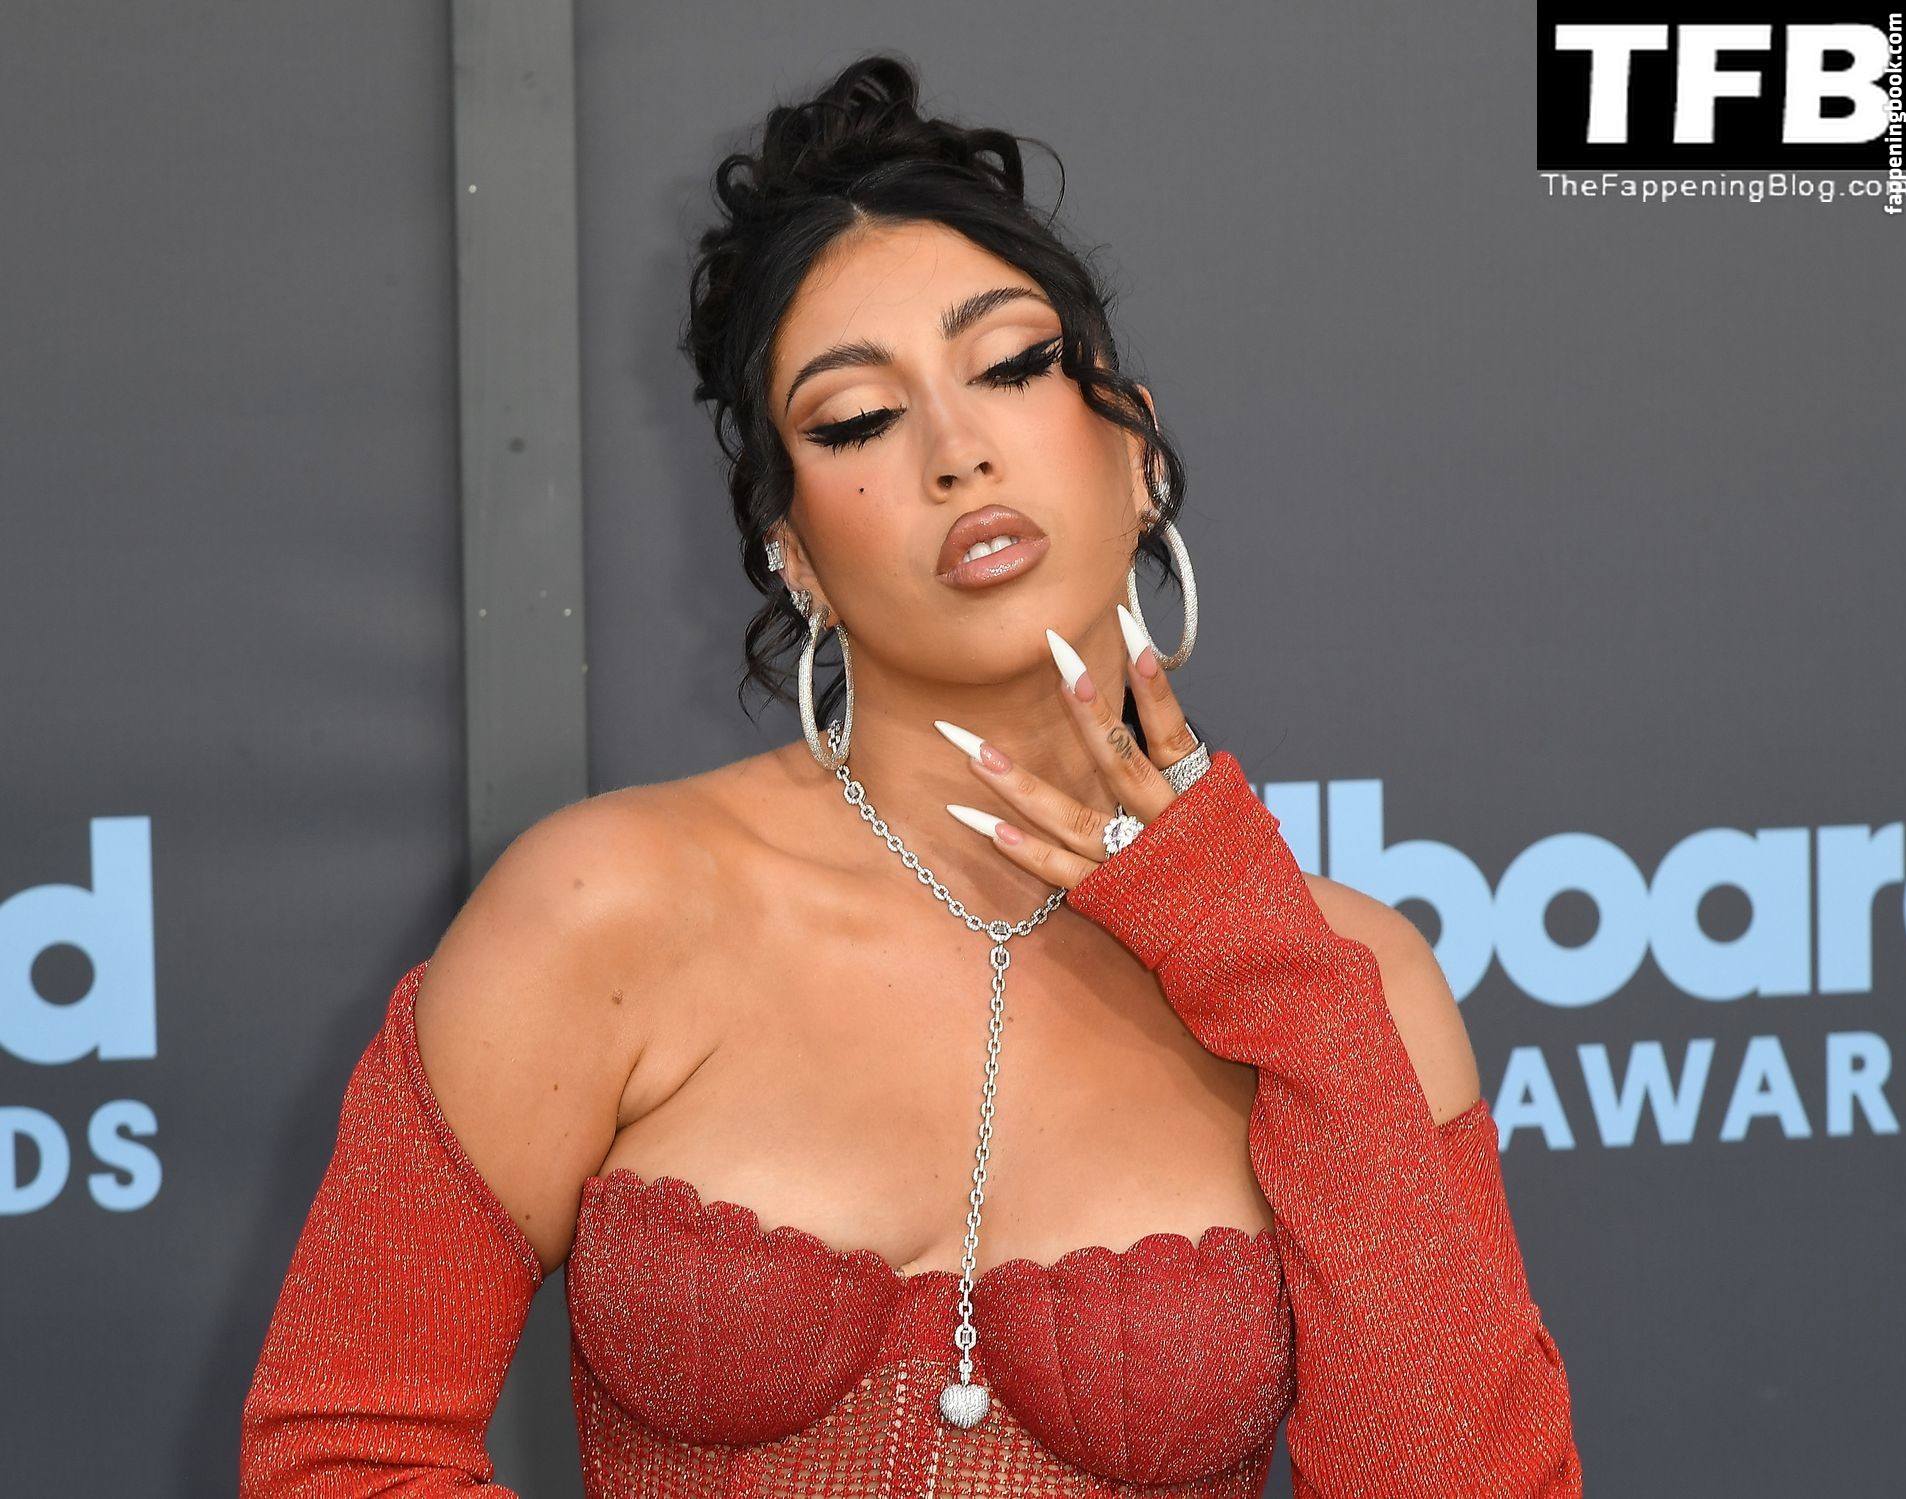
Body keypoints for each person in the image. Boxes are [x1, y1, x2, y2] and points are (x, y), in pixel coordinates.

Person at [239, 52, 1581, 1498]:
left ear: (1137, 448)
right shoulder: (602, 911)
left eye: (1011, 366)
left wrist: (1277, 978)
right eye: (855, 420)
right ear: (796, 554)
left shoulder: (1346, 979)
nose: (956, 451)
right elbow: (342, 1456)